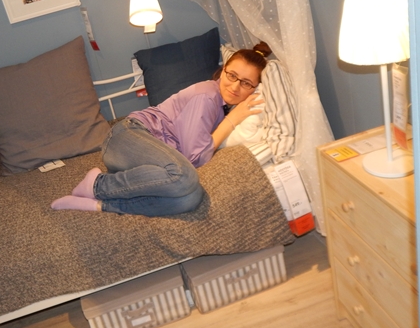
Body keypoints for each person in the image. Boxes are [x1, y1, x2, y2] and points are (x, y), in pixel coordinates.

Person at [51, 41, 273, 217]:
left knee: (191, 198)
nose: (235, 86)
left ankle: (100, 205)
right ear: (223, 71)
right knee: (184, 176)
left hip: (147, 157)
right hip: (127, 136)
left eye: (246, 83)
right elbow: (194, 158)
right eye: (232, 75)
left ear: (254, 88)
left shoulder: (221, 104)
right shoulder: (208, 96)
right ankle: (98, 185)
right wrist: (232, 120)